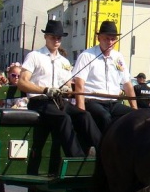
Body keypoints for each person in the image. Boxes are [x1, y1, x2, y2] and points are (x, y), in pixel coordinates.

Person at [19, 20, 99, 172]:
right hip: (40, 102)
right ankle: (77, 159)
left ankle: (103, 151)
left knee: (84, 115)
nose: (56, 40)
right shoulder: (34, 56)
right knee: (64, 118)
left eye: (59, 38)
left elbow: (68, 85)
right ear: (46, 37)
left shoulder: (64, 61)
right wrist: (45, 90)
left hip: (58, 101)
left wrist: (68, 90)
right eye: (53, 37)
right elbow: (22, 83)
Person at [72, 20, 137, 133]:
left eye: (113, 39)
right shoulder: (87, 56)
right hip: (93, 101)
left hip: (113, 102)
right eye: (106, 38)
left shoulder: (118, 57)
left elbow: (127, 84)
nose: (110, 42)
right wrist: (81, 109)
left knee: (134, 117)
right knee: (105, 117)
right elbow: (79, 83)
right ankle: (105, 148)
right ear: (99, 38)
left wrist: (135, 109)